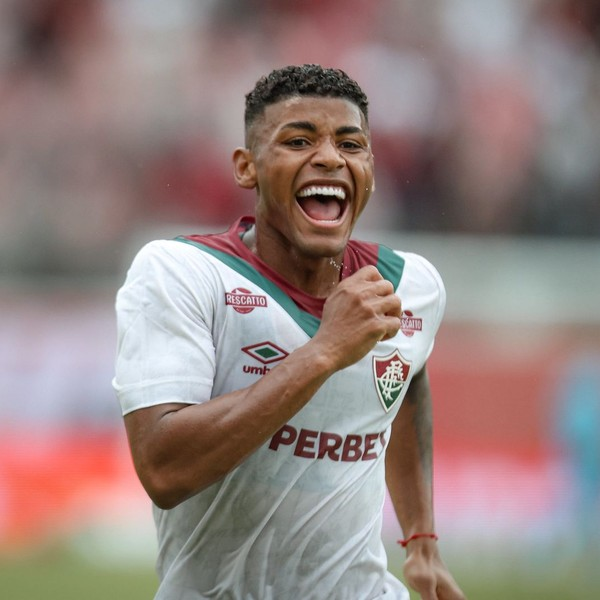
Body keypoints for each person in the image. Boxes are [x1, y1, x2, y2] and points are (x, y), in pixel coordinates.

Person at [113, 64, 465, 600]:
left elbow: (406, 380)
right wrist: (323, 351)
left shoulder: (412, 285)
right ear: (246, 168)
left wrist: (421, 539)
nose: (330, 158)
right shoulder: (182, 273)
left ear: (370, 169)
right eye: (299, 141)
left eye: (351, 144)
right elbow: (165, 470)